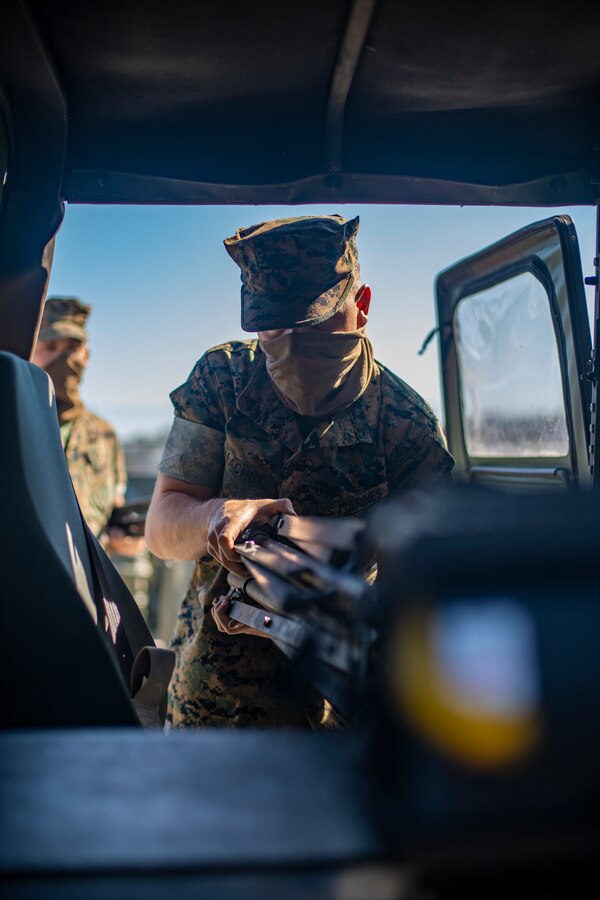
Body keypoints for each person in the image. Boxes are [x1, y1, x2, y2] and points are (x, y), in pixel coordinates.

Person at [145, 214, 455, 729]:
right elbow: (161, 527)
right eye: (273, 326)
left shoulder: (406, 425)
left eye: (312, 324)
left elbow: (426, 592)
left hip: (335, 719)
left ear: (362, 307)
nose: (290, 343)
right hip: (213, 703)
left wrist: (331, 605)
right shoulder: (222, 378)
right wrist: (216, 518)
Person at [32, 295, 143, 557]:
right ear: (30, 351)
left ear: (87, 355)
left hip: (76, 584)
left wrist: (128, 539)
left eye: (73, 347)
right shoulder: (12, 418)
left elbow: (115, 515)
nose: (65, 359)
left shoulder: (104, 436)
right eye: (51, 347)